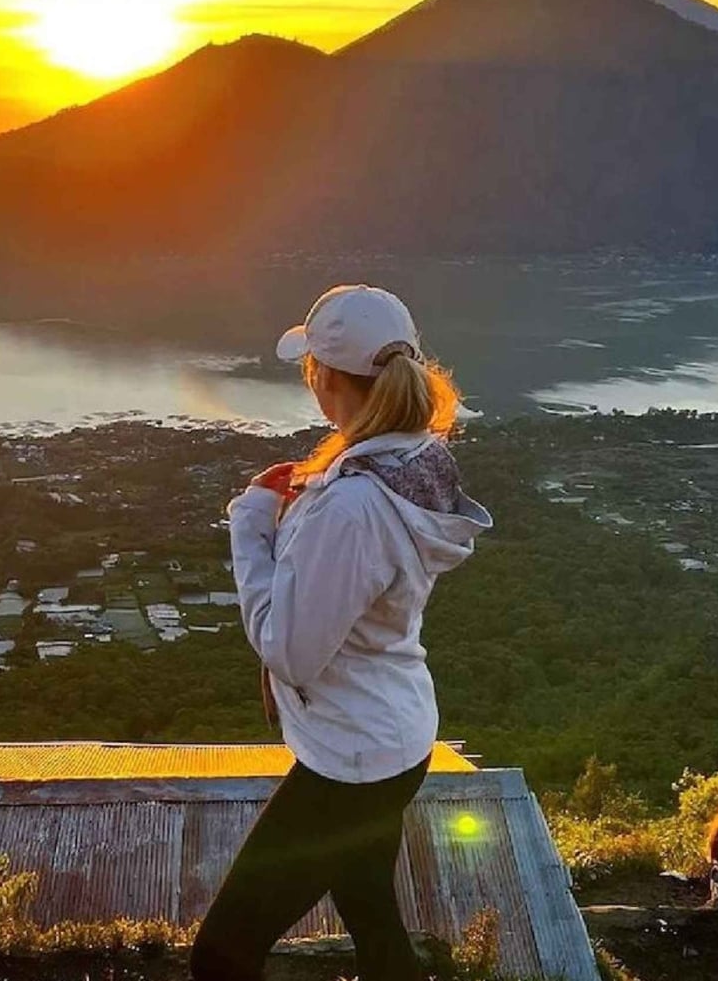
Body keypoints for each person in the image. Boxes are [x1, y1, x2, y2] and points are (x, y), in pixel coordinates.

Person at [189, 285, 492, 981]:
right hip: (397, 734)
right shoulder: (415, 458)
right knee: (370, 909)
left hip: (351, 761)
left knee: (221, 955)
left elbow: (289, 651)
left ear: (327, 381)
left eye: (311, 369)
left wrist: (252, 523)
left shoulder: (354, 504)